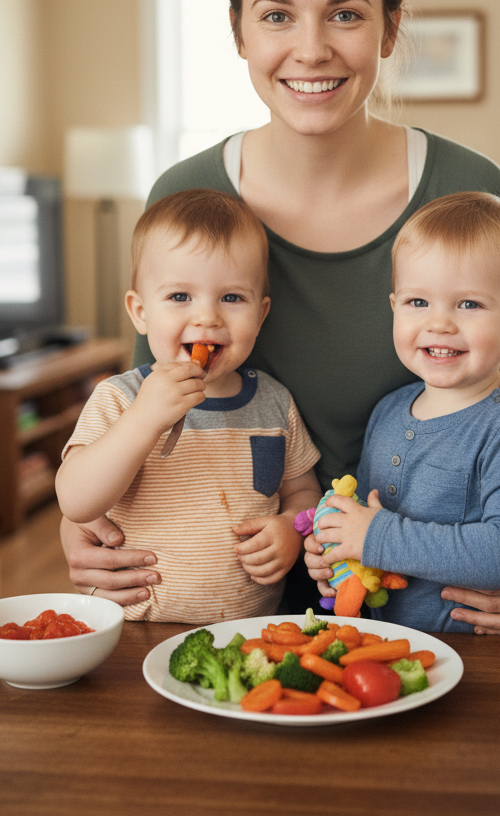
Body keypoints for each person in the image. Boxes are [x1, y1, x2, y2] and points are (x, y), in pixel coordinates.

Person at [61, 0, 500, 635]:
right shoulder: (188, 195)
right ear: (237, 29)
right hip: (231, 613)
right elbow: (150, 407)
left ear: (389, 28)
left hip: (429, 609)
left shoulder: (468, 189)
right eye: (275, 14)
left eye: (345, 12)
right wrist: (77, 524)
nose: (311, 49)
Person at [55, 188, 321, 622]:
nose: (207, 318)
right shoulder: (120, 399)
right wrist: (145, 418)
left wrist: (291, 527)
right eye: (180, 297)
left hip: (248, 631)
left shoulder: (274, 402)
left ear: (261, 312)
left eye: (232, 298)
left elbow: (302, 489)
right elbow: (76, 500)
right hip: (137, 628)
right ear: (140, 312)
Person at [314, 192, 500, 634]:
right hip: (393, 653)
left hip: (486, 663)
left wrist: (376, 538)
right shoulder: (388, 410)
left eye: (469, 304)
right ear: (394, 307)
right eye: (418, 303)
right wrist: (338, 550)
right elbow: (367, 520)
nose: (440, 324)